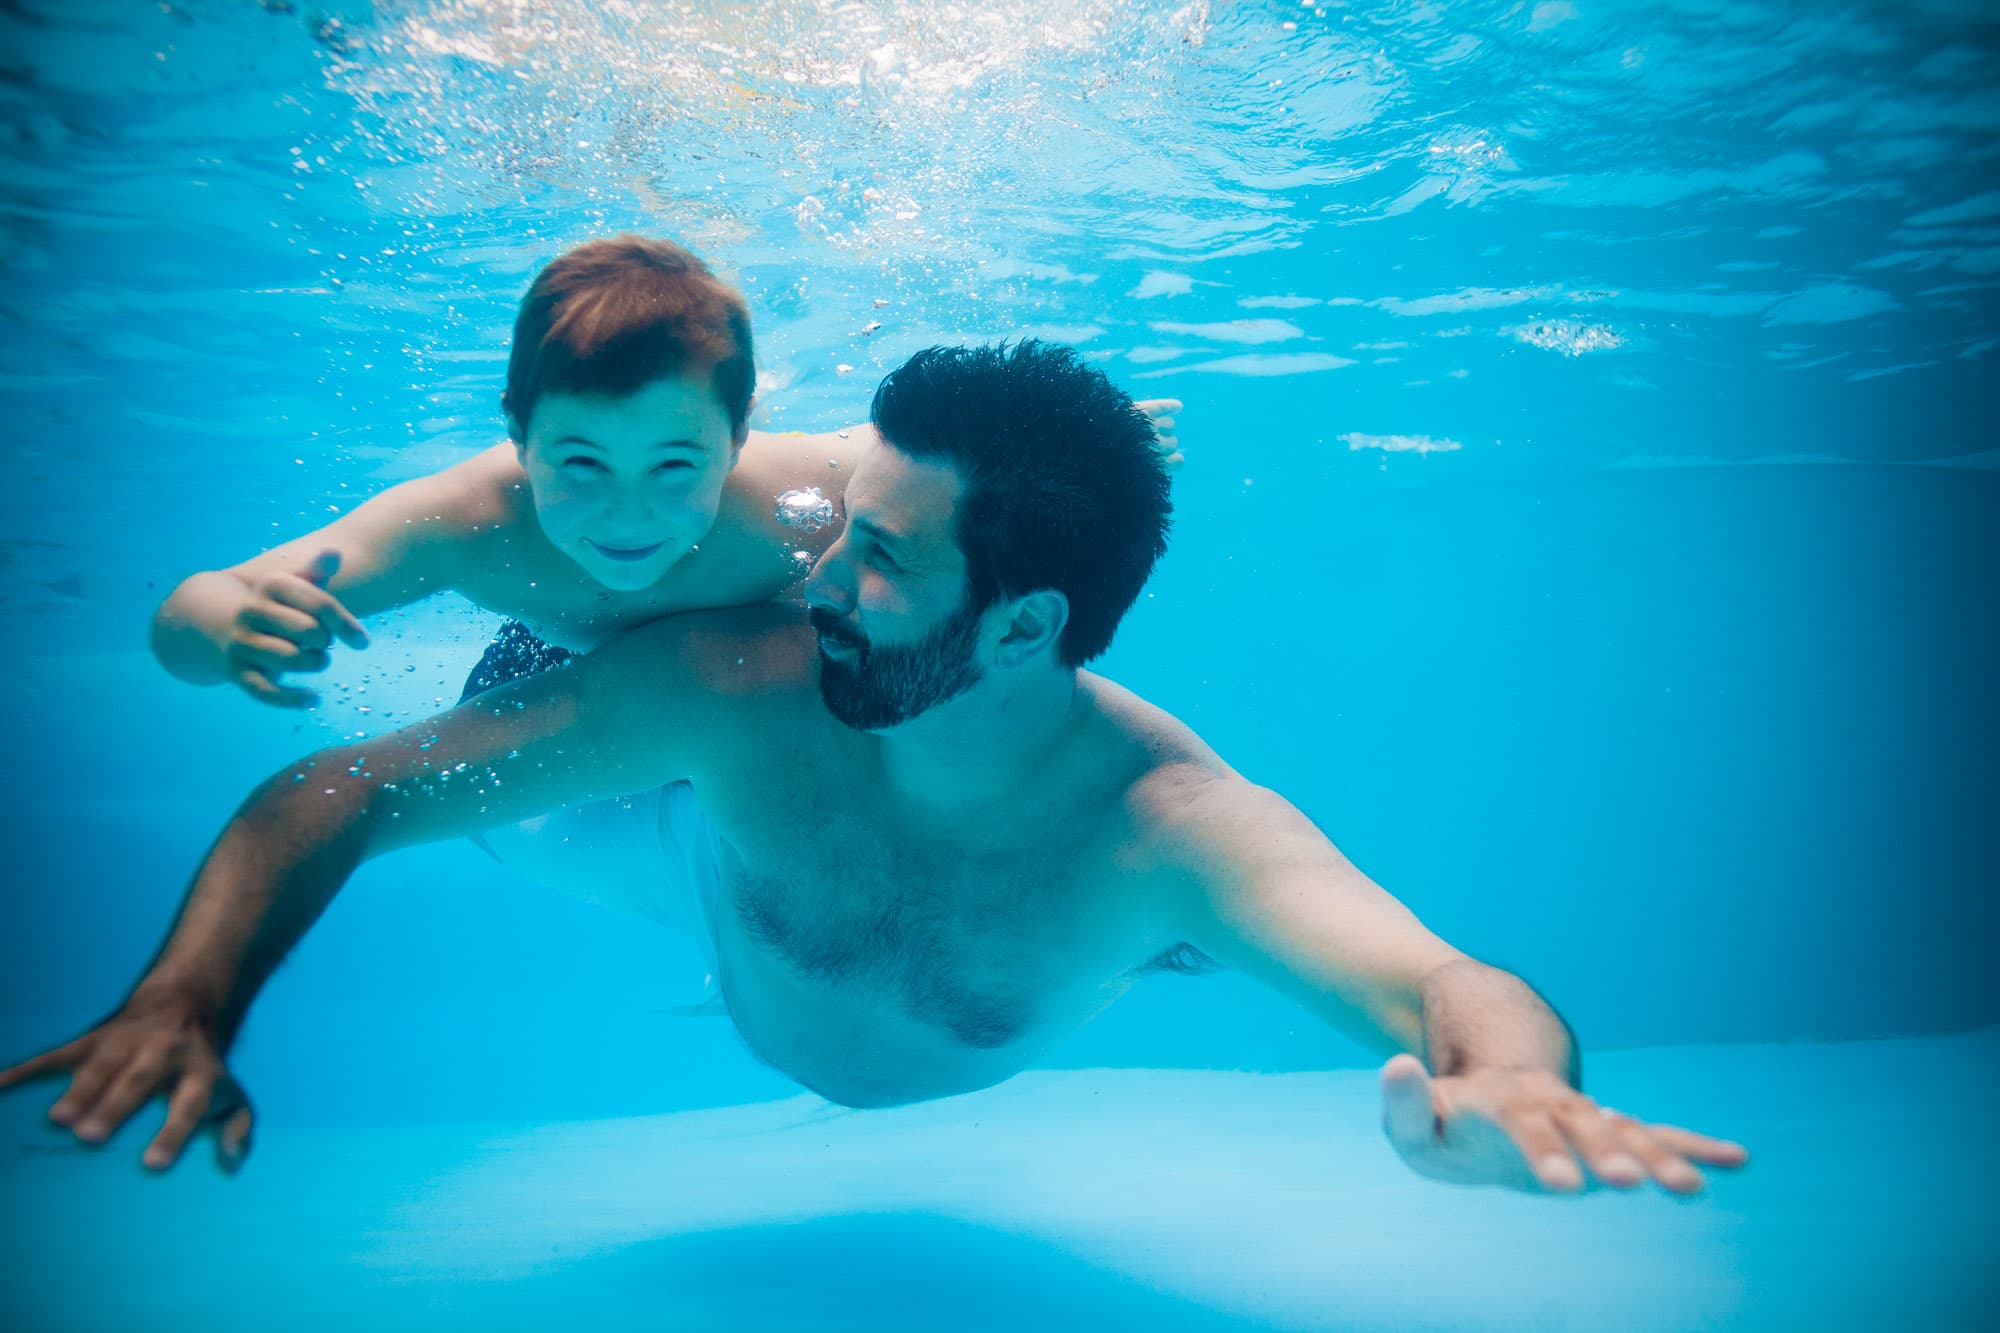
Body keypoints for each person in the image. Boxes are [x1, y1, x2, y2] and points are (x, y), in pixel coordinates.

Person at [3, 342, 1747, 1199]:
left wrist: (1517, 1085)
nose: (809, 576)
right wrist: (190, 989)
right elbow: (344, 789)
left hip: (961, 902)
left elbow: (1451, 981)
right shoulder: (733, 681)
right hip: (689, 843)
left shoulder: (1170, 835)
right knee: (521, 797)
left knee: (1205, 931)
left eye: (882, 559)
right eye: (836, 530)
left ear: (1022, 624)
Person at [147, 233, 1183, 706]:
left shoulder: (803, 482)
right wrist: (222, 627)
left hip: (737, 680)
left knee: (803, 679)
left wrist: (1087, 455)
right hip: (541, 670)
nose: (627, 510)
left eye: (677, 461)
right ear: (517, 434)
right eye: (580, 461)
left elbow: (979, 462)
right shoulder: (457, 523)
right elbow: (193, 606)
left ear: (738, 440)